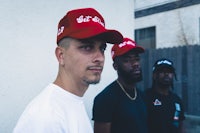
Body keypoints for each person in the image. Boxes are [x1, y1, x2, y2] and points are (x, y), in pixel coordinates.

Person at [13, 8, 123, 133]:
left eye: (102, 49)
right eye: (87, 47)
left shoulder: (72, 102)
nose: (99, 58)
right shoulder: (47, 117)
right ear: (61, 55)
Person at [92, 37, 148, 133]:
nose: (135, 64)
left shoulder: (142, 95)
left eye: (137, 59)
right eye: (127, 60)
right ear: (115, 66)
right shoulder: (105, 99)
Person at [145, 58, 185, 133]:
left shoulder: (177, 100)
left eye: (169, 72)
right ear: (154, 75)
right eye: (162, 71)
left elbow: (181, 127)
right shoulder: (145, 98)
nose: (166, 74)